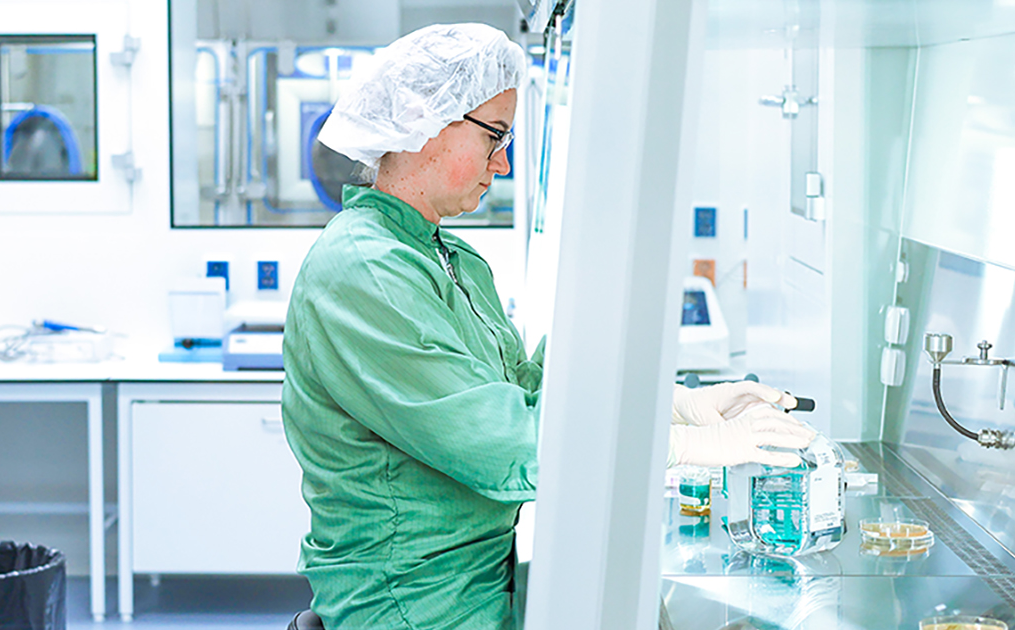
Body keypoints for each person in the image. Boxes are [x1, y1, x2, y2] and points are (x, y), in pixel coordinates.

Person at [281, 23, 818, 630]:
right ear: (420, 118)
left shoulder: (446, 258)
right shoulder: (362, 271)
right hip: (416, 603)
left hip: (476, 581)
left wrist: (676, 406)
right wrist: (671, 447)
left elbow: (529, 391)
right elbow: (502, 440)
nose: (503, 164)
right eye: (494, 138)